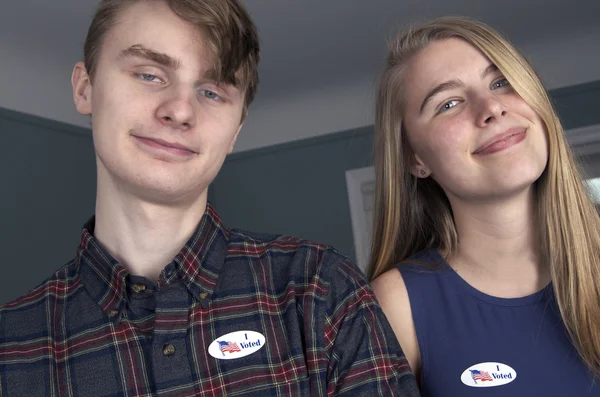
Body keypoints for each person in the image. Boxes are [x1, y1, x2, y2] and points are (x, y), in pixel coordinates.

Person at [0, 1, 419, 396]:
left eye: (212, 92)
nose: (180, 111)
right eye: (149, 74)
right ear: (85, 88)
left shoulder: (320, 291)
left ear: (235, 130)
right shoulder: (10, 347)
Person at [368, 17, 600, 396]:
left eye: (500, 81)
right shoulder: (397, 306)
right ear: (414, 158)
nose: (491, 107)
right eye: (449, 103)